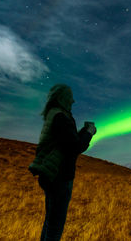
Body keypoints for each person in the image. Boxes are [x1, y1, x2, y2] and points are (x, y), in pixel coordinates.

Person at [28, 84, 97, 241]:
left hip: (51, 174)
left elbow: (66, 141)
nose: (73, 101)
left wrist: (80, 132)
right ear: (62, 98)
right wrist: (89, 133)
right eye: (69, 97)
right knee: (55, 225)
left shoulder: (53, 114)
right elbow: (75, 147)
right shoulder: (61, 117)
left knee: (50, 220)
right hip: (59, 176)